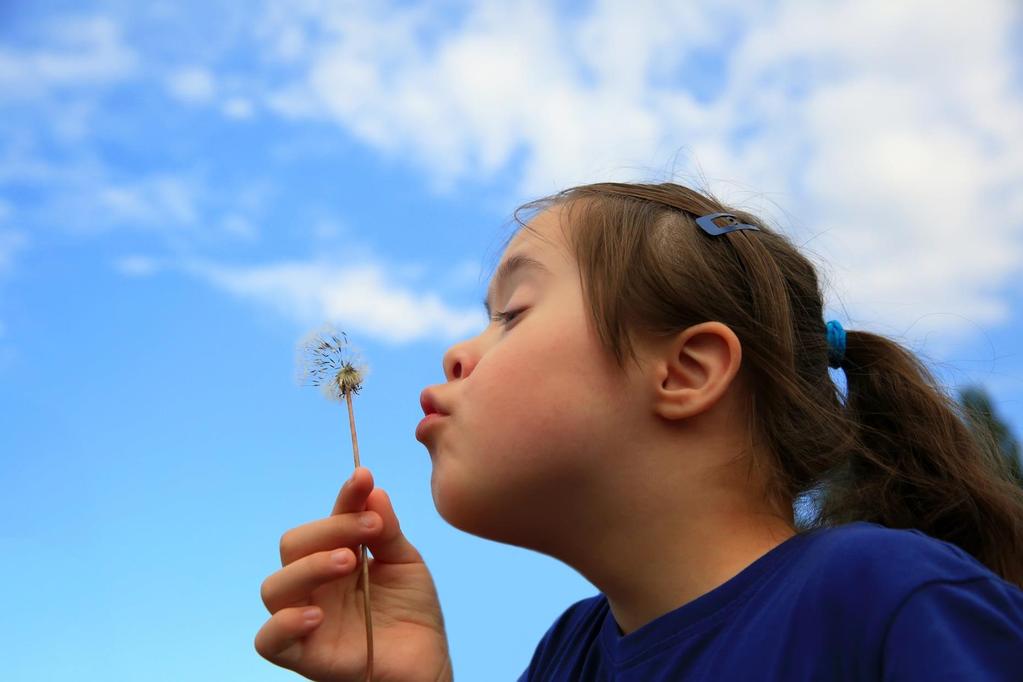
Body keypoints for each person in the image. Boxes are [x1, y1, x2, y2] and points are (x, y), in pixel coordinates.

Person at [254, 182, 1023, 681]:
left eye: (512, 314)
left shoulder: (884, 597)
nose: (457, 352)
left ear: (685, 372)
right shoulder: (566, 659)